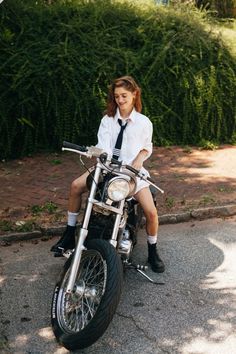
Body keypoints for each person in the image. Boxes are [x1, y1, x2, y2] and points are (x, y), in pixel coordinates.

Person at [51, 75, 165, 273]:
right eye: (117, 96)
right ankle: (69, 234)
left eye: (124, 96)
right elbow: (102, 145)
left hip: (132, 174)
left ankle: (153, 250)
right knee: (75, 186)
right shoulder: (108, 120)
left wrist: (139, 160)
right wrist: (97, 154)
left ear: (134, 94)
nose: (120, 100)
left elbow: (147, 147)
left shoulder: (144, 122)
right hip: (106, 169)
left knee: (151, 212)